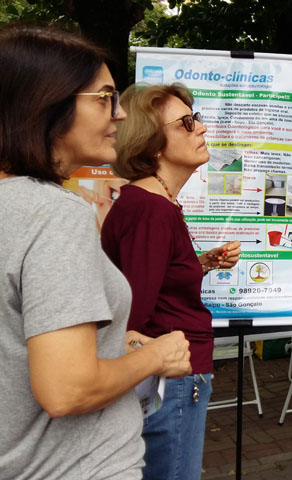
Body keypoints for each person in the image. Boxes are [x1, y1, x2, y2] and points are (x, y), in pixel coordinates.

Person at [0, 24, 192, 479]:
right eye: (105, 98)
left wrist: (112, 342)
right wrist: (157, 356)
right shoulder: (53, 213)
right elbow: (68, 389)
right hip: (77, 465)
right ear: (47, 102)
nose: (120, 114)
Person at [100, 82, 241, 480]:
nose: (202, 128)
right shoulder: (153, 210)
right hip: (170, 379)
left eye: (195, 118)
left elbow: (149, 283)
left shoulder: (152, 203)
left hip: (169, 376)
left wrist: (201, 264)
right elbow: (133, 316)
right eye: (186, 123)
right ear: (152, 144)